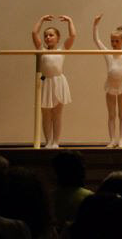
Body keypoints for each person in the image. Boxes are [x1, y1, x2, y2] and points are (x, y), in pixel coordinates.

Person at [93, 14, 122, 148]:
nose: (113, 43)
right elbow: (97, 41)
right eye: (112, 41)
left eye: (116, 41)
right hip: (110, 87)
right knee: (111, 115)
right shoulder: (108, 53)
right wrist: (95, 25)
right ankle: (112, 139)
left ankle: (121, 140)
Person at [32, 14, 76, 149]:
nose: (47, 38)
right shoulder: (42, 49)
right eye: (46, 35)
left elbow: (73, 36)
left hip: (58, 81)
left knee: (57, 114)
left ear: (58, 38)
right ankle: (48, 141)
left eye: (51, 35)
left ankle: (56, 142)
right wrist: (41, 20)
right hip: (45, 80)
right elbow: (34, 33)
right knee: (45, 114)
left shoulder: (62, 49)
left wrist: (70, 20)